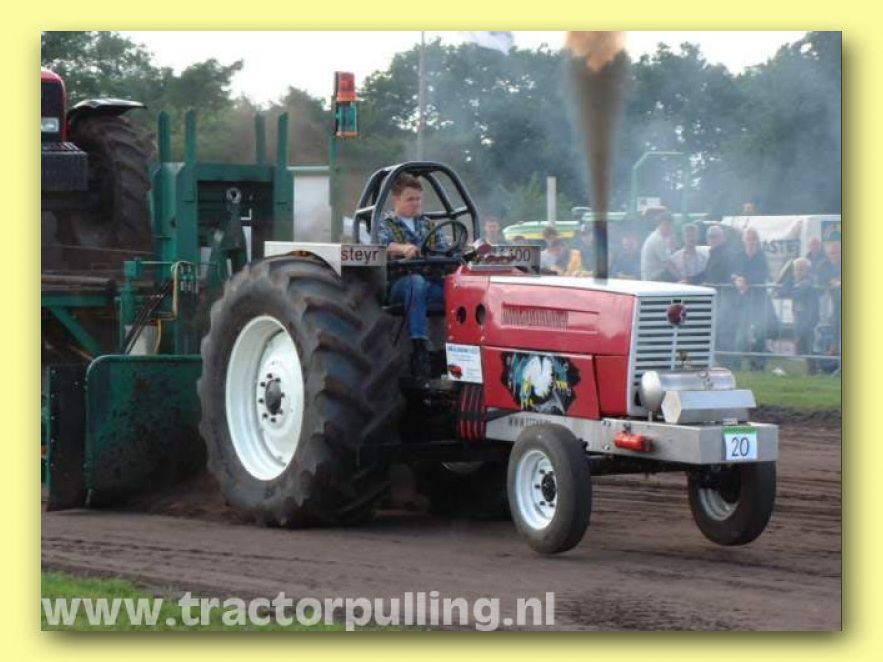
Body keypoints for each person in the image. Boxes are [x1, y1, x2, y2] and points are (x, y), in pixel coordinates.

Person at [377, 174, 448, 379]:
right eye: (410, 199)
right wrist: (402, 248)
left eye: (418, 199)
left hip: (430, 282)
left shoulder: (428, 224)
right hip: (399, 284)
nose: (415, 203)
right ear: (396, 199)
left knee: (457, 289)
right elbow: (381, 245)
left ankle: (449, 349)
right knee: (416, 284)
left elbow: (443, 248)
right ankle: (419, 349)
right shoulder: (385, 224)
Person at [732, 227, 777, 370]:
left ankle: (758, 364)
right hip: (742, 301)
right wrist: (736, 279)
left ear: (757, 241)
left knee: (760, 332)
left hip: (759, 300)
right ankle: (737, 363)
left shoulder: (761, 257)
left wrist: (746, 281)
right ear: (743, 240)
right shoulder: (739, 256)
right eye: (748, 239)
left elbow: (762, 274)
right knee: (741, 331)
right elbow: (732, 272)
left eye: (753, 239)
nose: (751, 242)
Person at [778, 257, 821, 374]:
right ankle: (808, 369)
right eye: (796, 269)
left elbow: (800, 294)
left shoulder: (810, 283)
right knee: (801, 344)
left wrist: (811, 321)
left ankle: (814, 369)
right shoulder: (793, 281)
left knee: (810, 344)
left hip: (809, 317)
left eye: (801, 269)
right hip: (798, 316)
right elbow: (782, 292)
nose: (798, 272)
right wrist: (789, 279)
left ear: (808, 270)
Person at [640, 209, 677, 281]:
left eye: (670, 225)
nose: (669, 228)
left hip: (659, 274)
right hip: (652, 278)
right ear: (660, 224)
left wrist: (672, 245)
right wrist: (681, 278)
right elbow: (668, 264)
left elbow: (673, 257)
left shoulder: (665, 238)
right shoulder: (657, 239)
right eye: (666, 225)